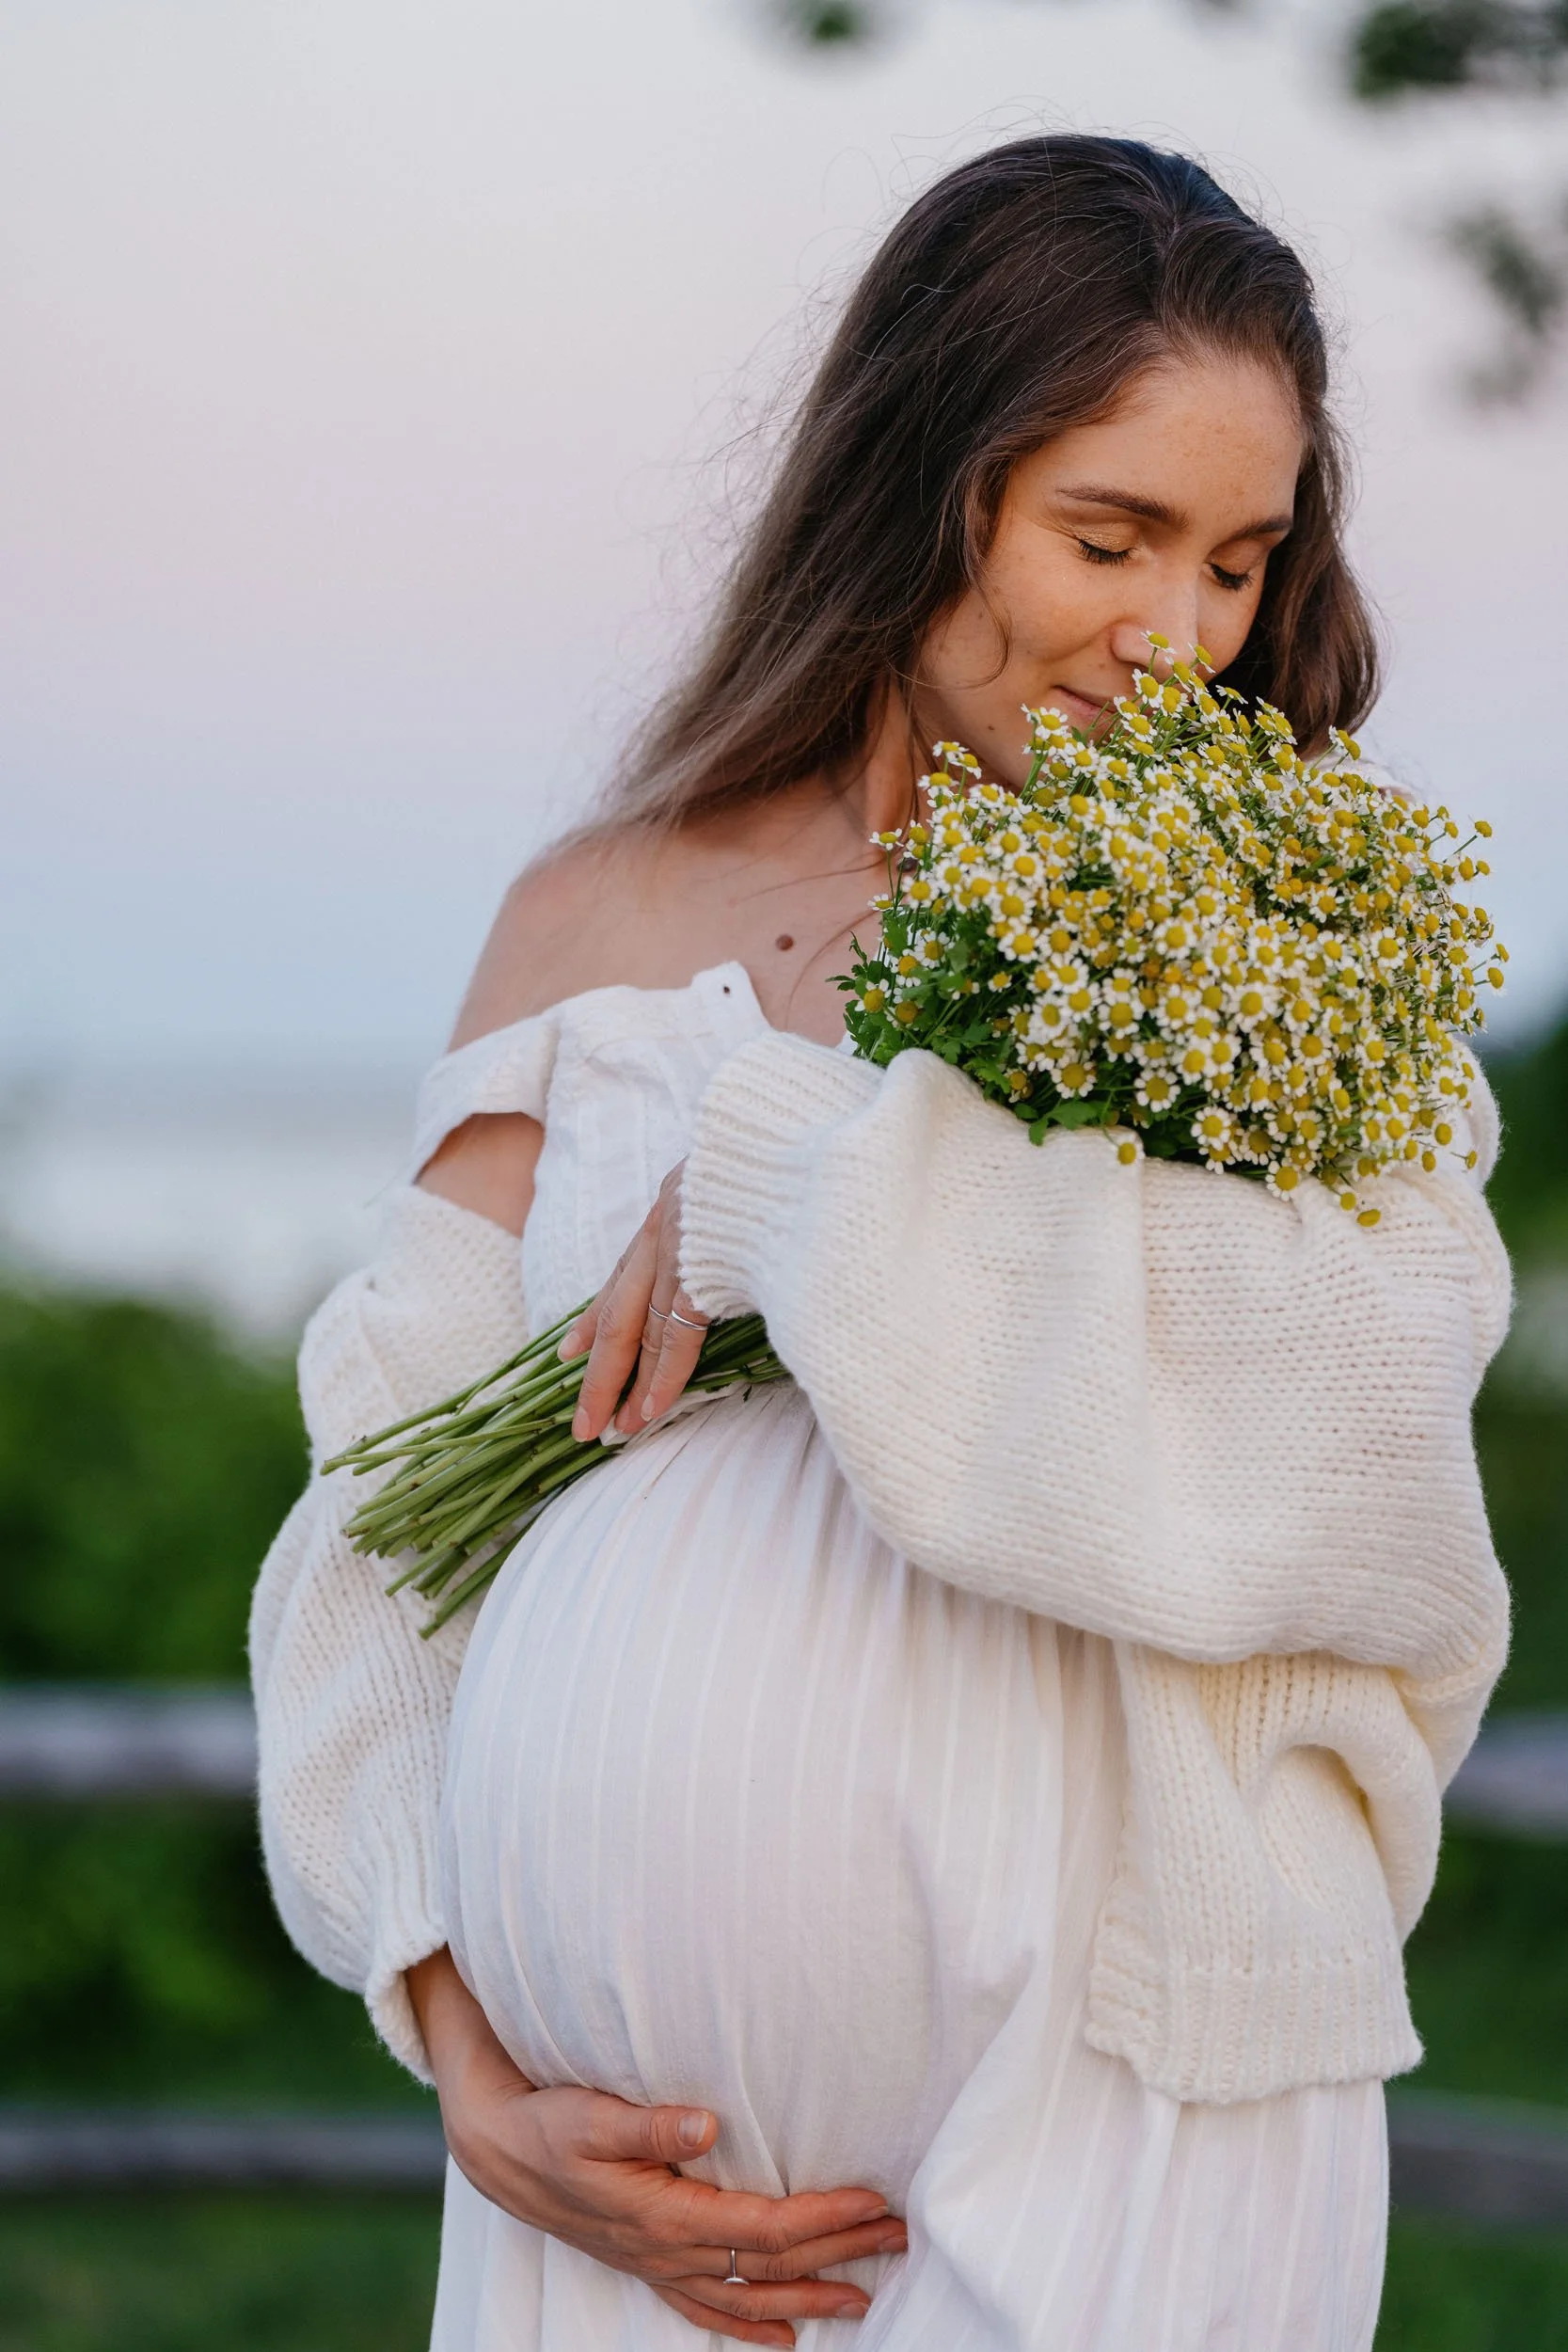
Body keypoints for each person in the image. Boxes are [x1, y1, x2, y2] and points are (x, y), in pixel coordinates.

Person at [251, 135, 1510, 2351]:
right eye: (1101, 534)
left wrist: (793, 1174)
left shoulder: (1291, 937)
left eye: (1233, 559)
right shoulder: (595, 914)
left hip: (1130, 2104)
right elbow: (374, 1514)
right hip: (606, 2186)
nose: (1174, 635)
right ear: (915, 485)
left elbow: (1351, 1470)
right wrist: (455, 2030)